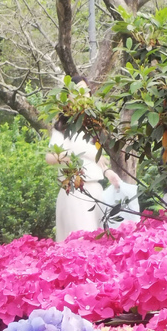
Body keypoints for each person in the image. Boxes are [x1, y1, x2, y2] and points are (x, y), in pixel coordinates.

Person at [46, 77, 119, 242]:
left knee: (99, 243)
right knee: (82, 244)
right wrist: (78, 155)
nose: (83, 95)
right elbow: (50, 157)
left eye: (85, 91)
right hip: (75, 193)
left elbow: (98, 160)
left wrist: (108, 172)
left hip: (96, 192)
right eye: (77, 91)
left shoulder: (93, 126)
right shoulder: (62, 127)